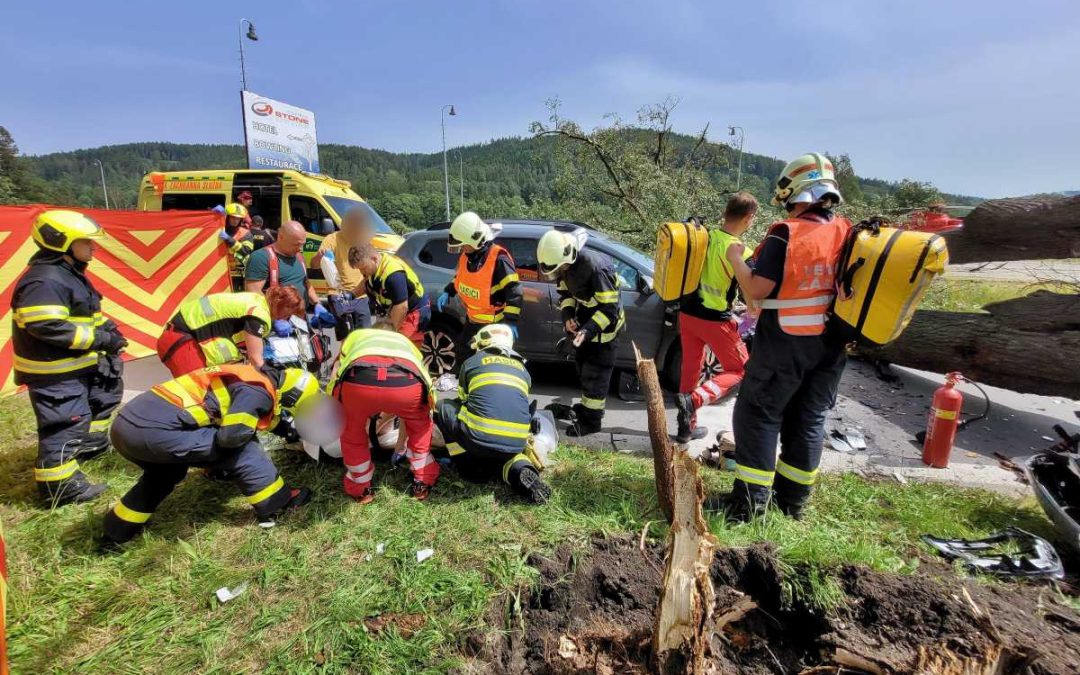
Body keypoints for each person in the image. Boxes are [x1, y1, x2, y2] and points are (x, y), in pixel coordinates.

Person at [720, 153, 851, 521]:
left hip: (785, 342)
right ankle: (792, 503)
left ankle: (749, 505)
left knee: (757, 415)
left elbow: (757, 291)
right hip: (830, 346)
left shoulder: (786, 232)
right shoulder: (845, 230)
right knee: (808, 420)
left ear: (794, 192)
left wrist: (735, 258)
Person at [101, 365, 322, 545]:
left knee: (165, 474)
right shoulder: (258, 392)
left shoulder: (251, 378)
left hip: (127, 429)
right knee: (243, 447)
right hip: (155, 432)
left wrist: (288, 431)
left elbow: (260, 414)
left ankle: (118, 529)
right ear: (293, 397)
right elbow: (231, 437)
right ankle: (278, 504)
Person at [11, 210, 127, 505]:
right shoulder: (45, 281)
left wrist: (112, 335)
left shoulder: (69, 275)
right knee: (64, 423)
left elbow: (88, 315)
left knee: (97, 403)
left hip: (77, 364)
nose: (93, 247)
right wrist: (101, 340)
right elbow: (47, 326)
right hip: (54, 372)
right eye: (86, 242)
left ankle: (88, 448)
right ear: (62, 242)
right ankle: (60, 489)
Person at [673, 193, 757, 443]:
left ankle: (685, 429)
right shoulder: (740, 250)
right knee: (741, 369)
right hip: (715, 320)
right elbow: (751, 292)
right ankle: (694, 400)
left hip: (687, 314)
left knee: (690, 369)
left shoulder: (702, 237)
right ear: (749, 218)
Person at [435, 324, 551, 504]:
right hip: (516, 442)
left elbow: (462, 400)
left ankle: (466, 465)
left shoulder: (473, 362)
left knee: (444, 406)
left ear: (482, 345)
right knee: (505, 457)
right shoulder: (524, 370)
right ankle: (521, 468)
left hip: (478, 440)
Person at [328, 327, 439, 504]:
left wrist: (338, 404)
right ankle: (422, 481)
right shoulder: (405, 343)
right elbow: (422, 376)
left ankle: (361, 488)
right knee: (420, 428)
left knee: (352, 433)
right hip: (406, 384)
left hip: (358, 381)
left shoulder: (356, 337)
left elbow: (336, 372)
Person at [536, 229, 625, 437]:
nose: (559, 273)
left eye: (560, 268)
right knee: (584, 371)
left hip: (605, 333)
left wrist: (587, 330)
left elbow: (609, 310)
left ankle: (592, 422)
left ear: (569, 256)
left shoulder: (597, 268)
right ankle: (586, 410)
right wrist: (567, 316)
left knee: (596, 376)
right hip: (587, 327)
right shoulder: (564, 266)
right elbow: (566, 294)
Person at [434, 212, 523, 374]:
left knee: (489, 363)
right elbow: (461, 278)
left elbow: (514, 290)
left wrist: (511, 320)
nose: (462, 248)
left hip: (494, 323)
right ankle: (465, 391)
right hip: (473, 321)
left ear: (475, 241)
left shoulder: (498, 259)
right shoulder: (468, 257)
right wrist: (449, 291)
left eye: (464, 245)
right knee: (463, 353)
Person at [155, 287, 305, 376]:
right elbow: (256, 358)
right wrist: (273, 378)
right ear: (282, 306)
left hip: (178, 335)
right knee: (196, 392)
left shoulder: (255, 300)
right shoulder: (258, 313)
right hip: (181, 340)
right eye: (289, 313)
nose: (287, 318)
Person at [348, 243, 430, 346]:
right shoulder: (375, 267)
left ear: (374, 259)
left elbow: (402, 307)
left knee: (399, 346)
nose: (362, 272)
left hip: (413, 311)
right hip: (394, 310)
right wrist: (350, 295)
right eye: (360, 269)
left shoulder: (393, 275)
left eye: (363, 268)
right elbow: (366, 282)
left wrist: (389, 334)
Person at [310, 207, 374, 336]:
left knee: (365, 336)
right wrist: (319, 257)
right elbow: (314, 265)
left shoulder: (364, 239)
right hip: (338, 294)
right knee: (346, 336)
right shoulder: (332, 239)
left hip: (361, 295)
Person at [244, 220, 323, 312]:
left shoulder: (299, 256)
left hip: (300, 318)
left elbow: (305, 282)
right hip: (278, 320)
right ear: (280, 237)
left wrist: (317, 303)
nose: (300, 248)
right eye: (296, 244)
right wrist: (275, 316)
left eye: (302, 244)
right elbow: (253, 293)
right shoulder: (260, 258)